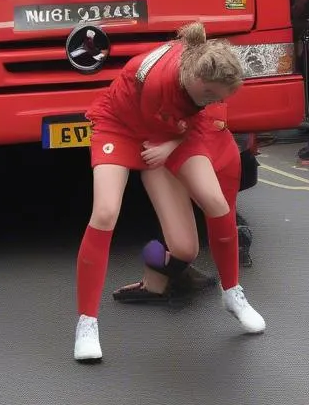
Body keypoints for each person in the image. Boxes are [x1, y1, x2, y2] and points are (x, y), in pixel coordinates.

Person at [74, 22, 265, 363]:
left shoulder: (204, 74)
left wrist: (173, 143)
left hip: (166, 136)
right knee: (104, 212)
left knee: (207, 215)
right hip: (121, 129)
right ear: (194, 80)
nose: (213, 101)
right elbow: (159, 130)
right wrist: (170, 144)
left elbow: (196, 124)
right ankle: (86, 323)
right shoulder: (158, 82)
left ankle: (232, 292)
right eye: (209, 96)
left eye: (218, 98)